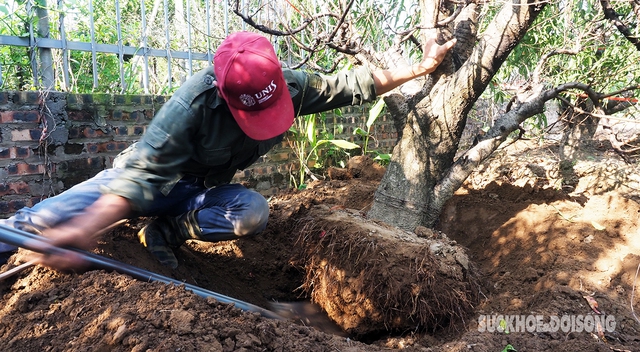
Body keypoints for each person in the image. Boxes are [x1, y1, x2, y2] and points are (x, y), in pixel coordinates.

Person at [0, 31, 456, 269]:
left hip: (199, 193)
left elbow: (354, 82)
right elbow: (140, 175)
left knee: (252, 212)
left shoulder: (289, 84)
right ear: (224, 96)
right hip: (149, 183)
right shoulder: (194, 102)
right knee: (36, 222)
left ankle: (167, 231)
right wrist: (83, 229)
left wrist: (423, 65)